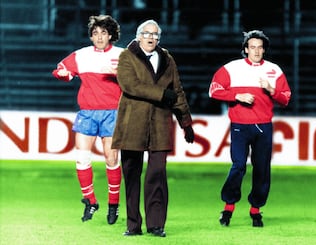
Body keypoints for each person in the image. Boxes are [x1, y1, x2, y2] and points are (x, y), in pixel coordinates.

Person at [111, 19, 194, 237]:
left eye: (156, 35)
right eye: (147, 33)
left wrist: (186, 122)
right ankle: (133, 224)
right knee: (131, 175)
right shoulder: (126, 56)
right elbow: (130, 85)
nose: (151, 38)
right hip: (132, 124)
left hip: (160, 123)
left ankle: (156, 224)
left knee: (157, 173)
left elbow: (177, 90)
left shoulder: (167, 58)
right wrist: (160, 94)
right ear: (139, 35)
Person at [209, 30, 291, 227]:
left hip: (263, 127)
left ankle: (255, 210)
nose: (256, 51)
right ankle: (228, 207)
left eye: (260, 47)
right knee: (238, 166)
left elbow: (286, 98)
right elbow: (214, 90)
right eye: (252, 47)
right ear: (245, 49)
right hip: (240, 127)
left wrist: (272, 90)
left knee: (262, 169)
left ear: (264, 50)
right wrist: (236, 96)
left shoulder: (274, 70)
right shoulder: (232, 68)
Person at [52, 15, 124, 224]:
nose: (99, 37)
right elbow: (59, 71)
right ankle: (91, 201)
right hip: (87, 113)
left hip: (112, 113)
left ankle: (113, 205)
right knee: (81, 158)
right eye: (95, 33)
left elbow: (136, 80)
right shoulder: (81, 55)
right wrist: (64, 74)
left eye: (103, 33)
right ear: (91, 37)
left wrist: (119, 74)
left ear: (110, 35)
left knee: (111, 160)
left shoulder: (123, 55)